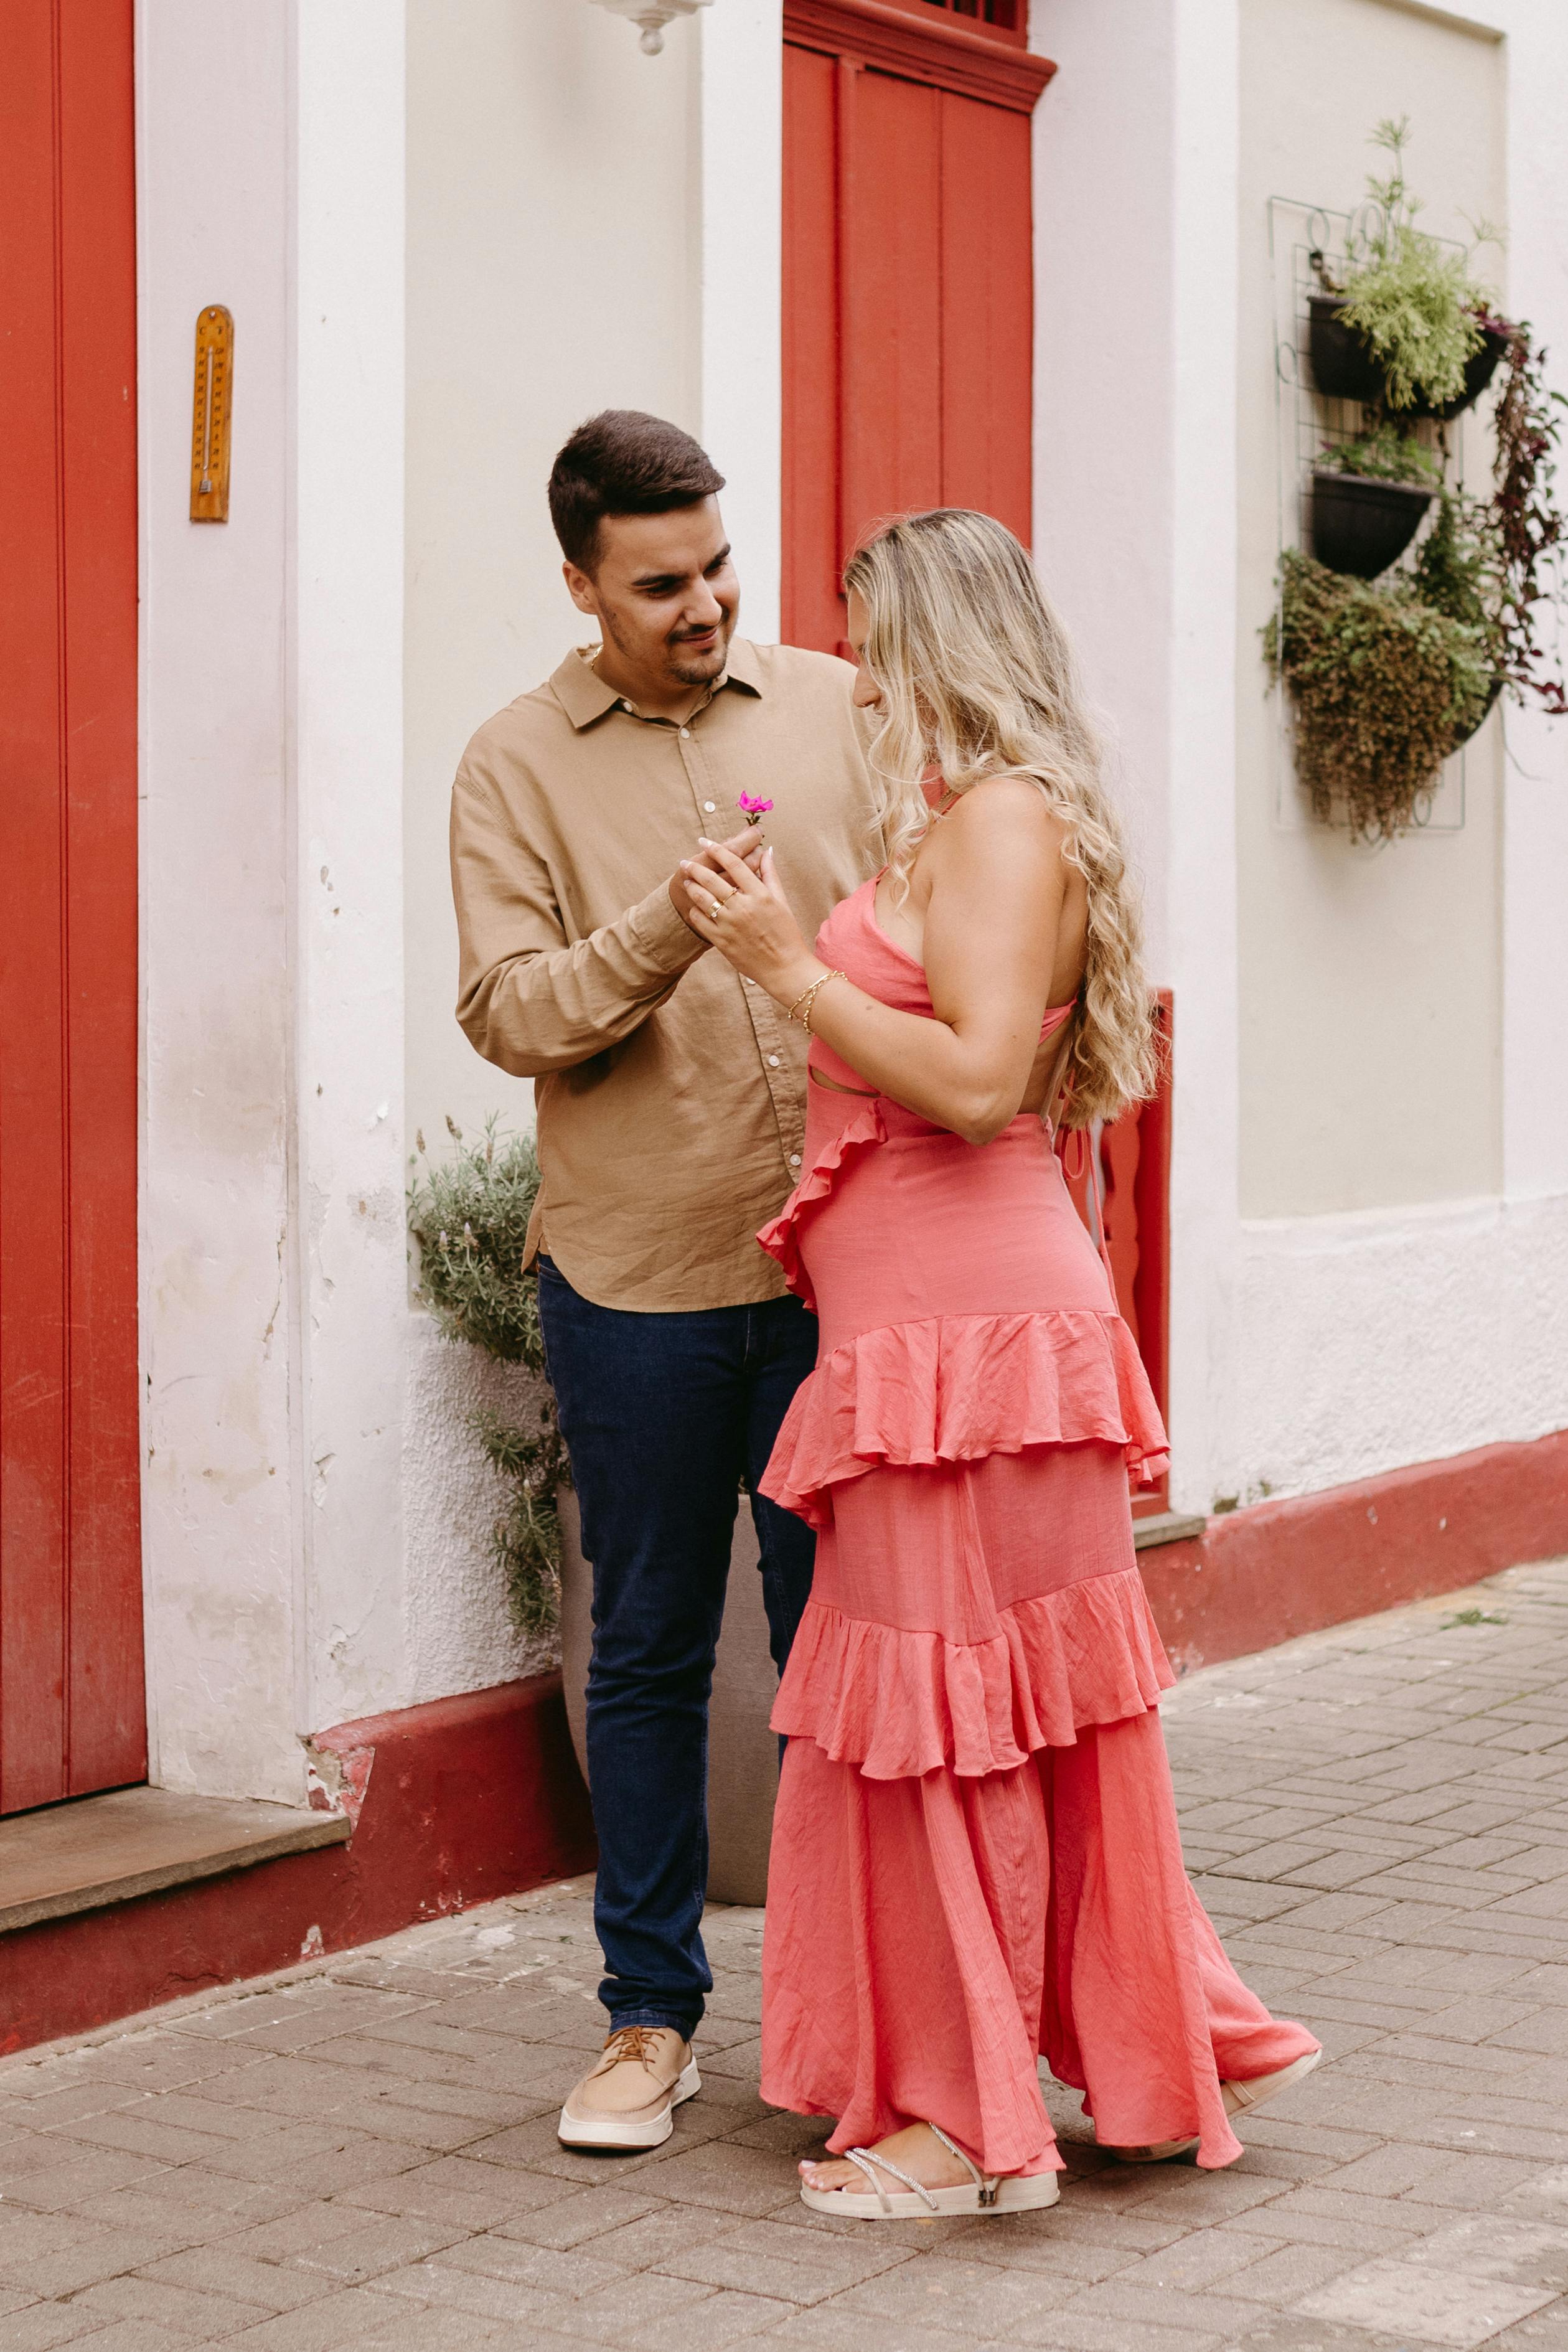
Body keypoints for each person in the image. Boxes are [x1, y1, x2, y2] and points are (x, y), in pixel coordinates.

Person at [680, 508, 1320, 2219]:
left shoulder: (1014, 820)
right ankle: (1094, 2066)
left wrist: (787, 965)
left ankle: (965, 2128)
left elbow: (971, 1085)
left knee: (957, 1711)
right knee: (963, 1711)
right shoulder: (966, 820)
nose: (864, 670)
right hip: (923, 1341)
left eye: (878, 634)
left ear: (949, 639)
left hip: (977, 1349)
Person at [450, 411, 880, 2151]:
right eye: (660, 582)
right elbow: (507, 1012)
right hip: (636, 1274)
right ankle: (647, 2017)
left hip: (845, 1258)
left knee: (850, 1643)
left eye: (717, 567)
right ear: (580, 581)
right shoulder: (512, 767)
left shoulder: (845, 706)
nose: (704, 606)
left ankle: (866, 2016)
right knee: (645, 1645)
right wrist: (662, 930)